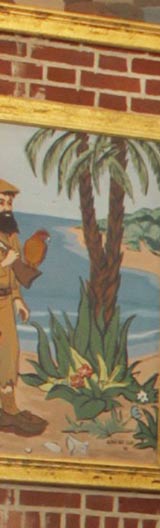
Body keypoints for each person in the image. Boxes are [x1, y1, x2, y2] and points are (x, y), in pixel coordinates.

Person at [0, 179, 46, 438]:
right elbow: (7, 267)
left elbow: (14, 276)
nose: (6, 208)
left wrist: (18, 298)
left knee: (9, 355)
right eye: (1, 202)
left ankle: (8, 410)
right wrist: (4, 263)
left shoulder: (11, 235)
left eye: (9, 203)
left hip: (5, 303)